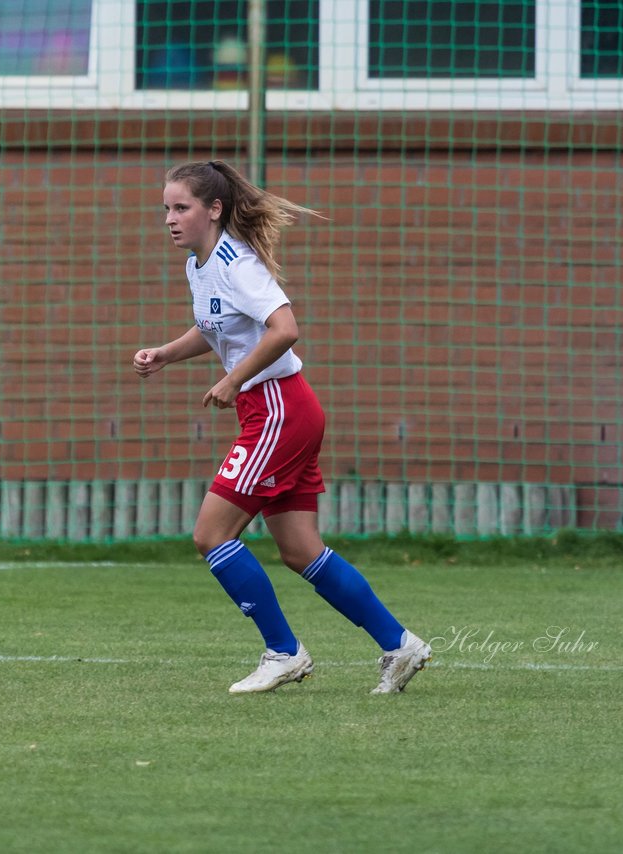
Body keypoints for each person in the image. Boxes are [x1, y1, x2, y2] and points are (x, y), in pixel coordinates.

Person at [133, 159, 431, 694]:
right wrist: (165, 354)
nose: (169, 219)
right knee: (299, 550)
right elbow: (216, 327)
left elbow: (284, 328)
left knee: (211, 534)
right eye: (166, 209)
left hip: (277, 409)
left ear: (214, 210)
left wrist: (233, 381)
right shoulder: (199, 266)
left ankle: (284, 652)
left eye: (181, 208)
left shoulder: (235, 263)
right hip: (283, 409)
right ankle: (399, 644)